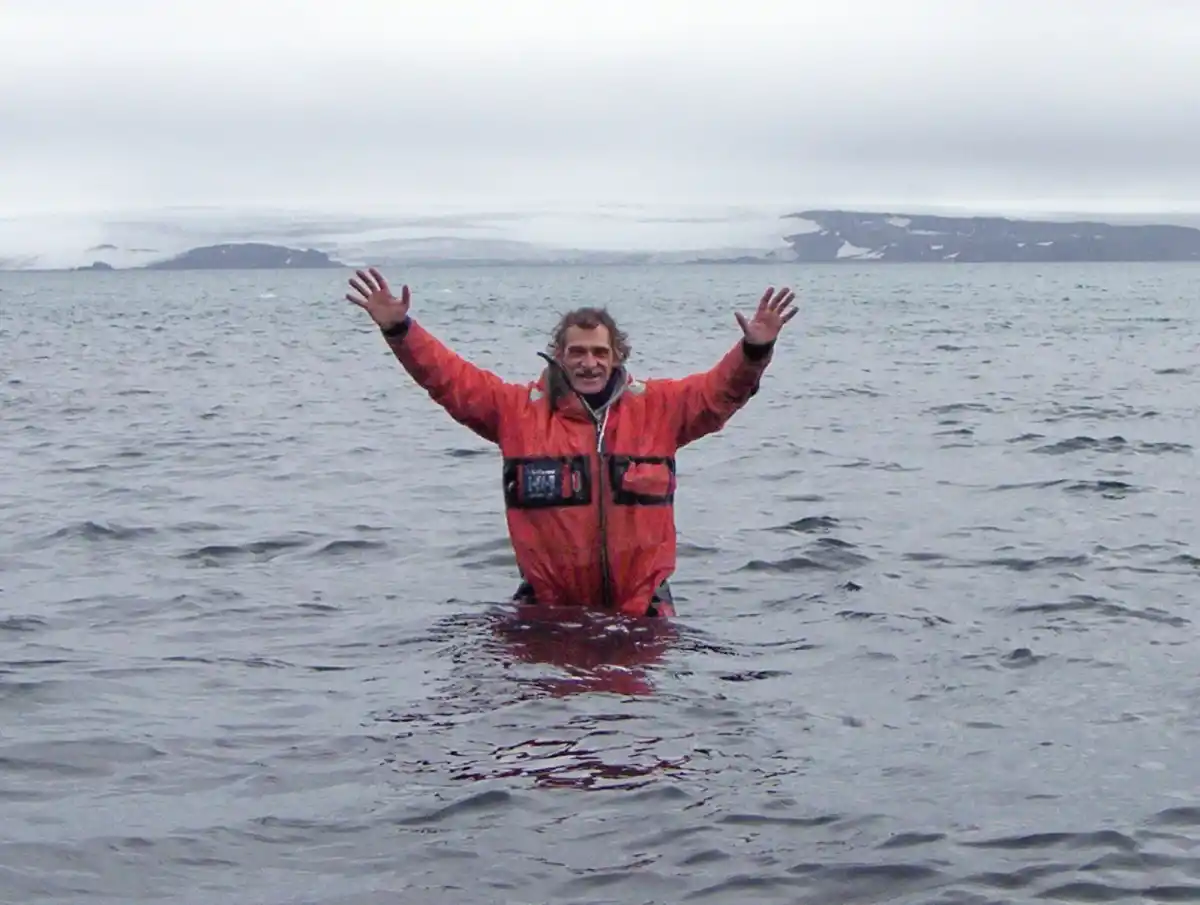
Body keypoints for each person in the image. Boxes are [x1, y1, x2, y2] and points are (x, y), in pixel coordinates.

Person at [346, 267, 796, 618]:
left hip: (642, 617)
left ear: (617, 357)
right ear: (558, 356)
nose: (588, 363)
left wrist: (754, 351)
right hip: (547, 617)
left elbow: (720, 391)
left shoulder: (661, 409)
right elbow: (449, 378)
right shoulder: (514, 411)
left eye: (599, 353)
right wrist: (401, 331)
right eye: (577, 352)